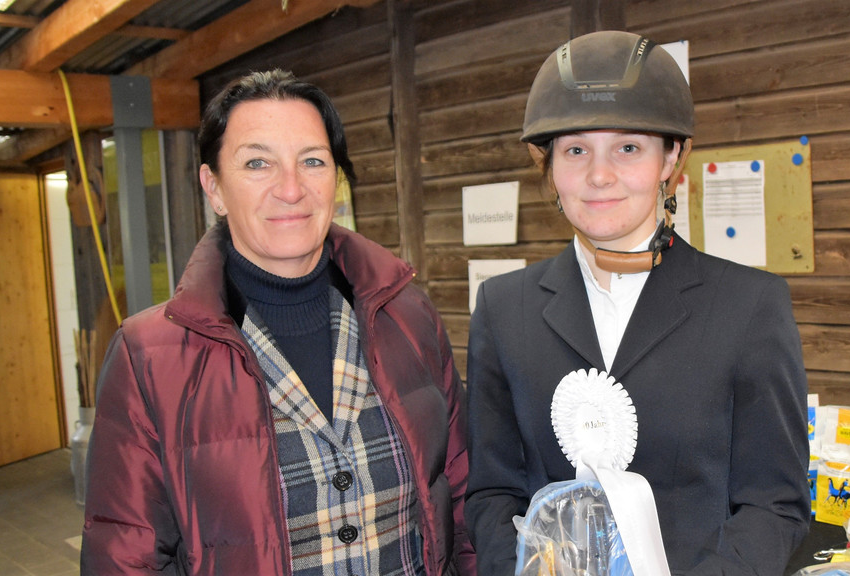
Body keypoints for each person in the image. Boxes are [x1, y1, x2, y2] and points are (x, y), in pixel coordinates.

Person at [81, 69, 476, 576]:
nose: (290, 189)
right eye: (257, 163)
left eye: (312, 161)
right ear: (214, 188)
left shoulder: (409, 316)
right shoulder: (148, 357)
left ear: (335, 179)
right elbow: (124, 555)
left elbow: (463, 499)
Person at [464, 31, 810, 575]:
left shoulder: (750, 306)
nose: (599, 175)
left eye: (628, 148)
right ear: (550, 166)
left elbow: (774, 506)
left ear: (670, 158)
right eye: (576, 150)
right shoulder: (503, 309)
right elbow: (492, 493)